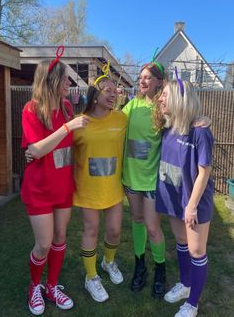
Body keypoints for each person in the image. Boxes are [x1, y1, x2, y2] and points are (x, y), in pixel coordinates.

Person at [21, 50, 89, 316]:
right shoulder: (31, 109)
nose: (69, 84)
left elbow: (54, 148)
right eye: (65, 80)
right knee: (44, 243)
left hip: (62, 186)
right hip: (39, 189)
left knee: (61, 237)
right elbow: (36, 150)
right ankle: (34, 286)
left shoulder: (67, 107)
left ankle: (51, 286)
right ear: (51, 81)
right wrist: (67, 128)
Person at [156, 78, 214, 317]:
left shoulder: (200, 131)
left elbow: (204, 172)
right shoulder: (168, 126)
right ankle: (185, 284)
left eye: (165, 95)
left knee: (196, 251)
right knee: (181, 242)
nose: (160, 99)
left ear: (180, 99)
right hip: (173, 198)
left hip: (194, 203)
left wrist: (191, 207)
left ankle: (192, 304)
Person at [72, 74, 127, 302]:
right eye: (107, 90)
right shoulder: (80, 122)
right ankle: (91, 276)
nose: (113, 94)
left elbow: (152, 117)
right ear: (94, 95)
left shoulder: (122, 119)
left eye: (115, 90)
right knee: (91, 231)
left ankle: (108, 262)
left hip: (113, 189)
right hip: (88, 190)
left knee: (114, 230)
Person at [122, 61, 167, 298]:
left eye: (148, 77)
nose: (143, 81)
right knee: (137, 220)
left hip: (151, 179)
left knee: (152, 226)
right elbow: (114, 124)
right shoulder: (131, 106)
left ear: (159, 81)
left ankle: (161, 268)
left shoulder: (164, 108)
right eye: (141, 77)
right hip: (131, 176)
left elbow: (183, 125)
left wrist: (201, 121)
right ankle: (140, 265)